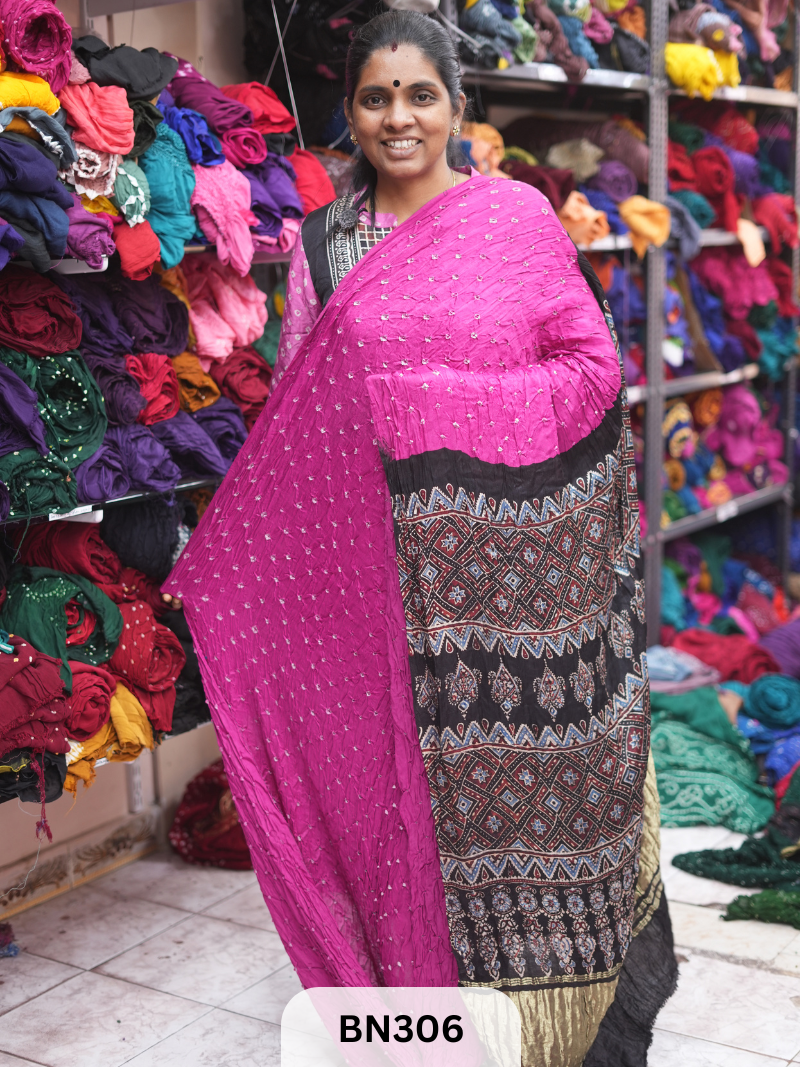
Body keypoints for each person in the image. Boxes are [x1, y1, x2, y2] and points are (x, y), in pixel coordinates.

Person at [166, 10, 676, 1065]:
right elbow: (305, 421)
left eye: (419, 94)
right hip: (382, 579)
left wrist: (436, 406)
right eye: (373, 97)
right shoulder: (319, 241)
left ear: (455, 104)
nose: (397, 118)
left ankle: (561, 1026)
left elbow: (592, 373)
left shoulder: (513, 219)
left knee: (535, 820)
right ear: (347, 110)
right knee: (405, 818)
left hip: (515, 587)